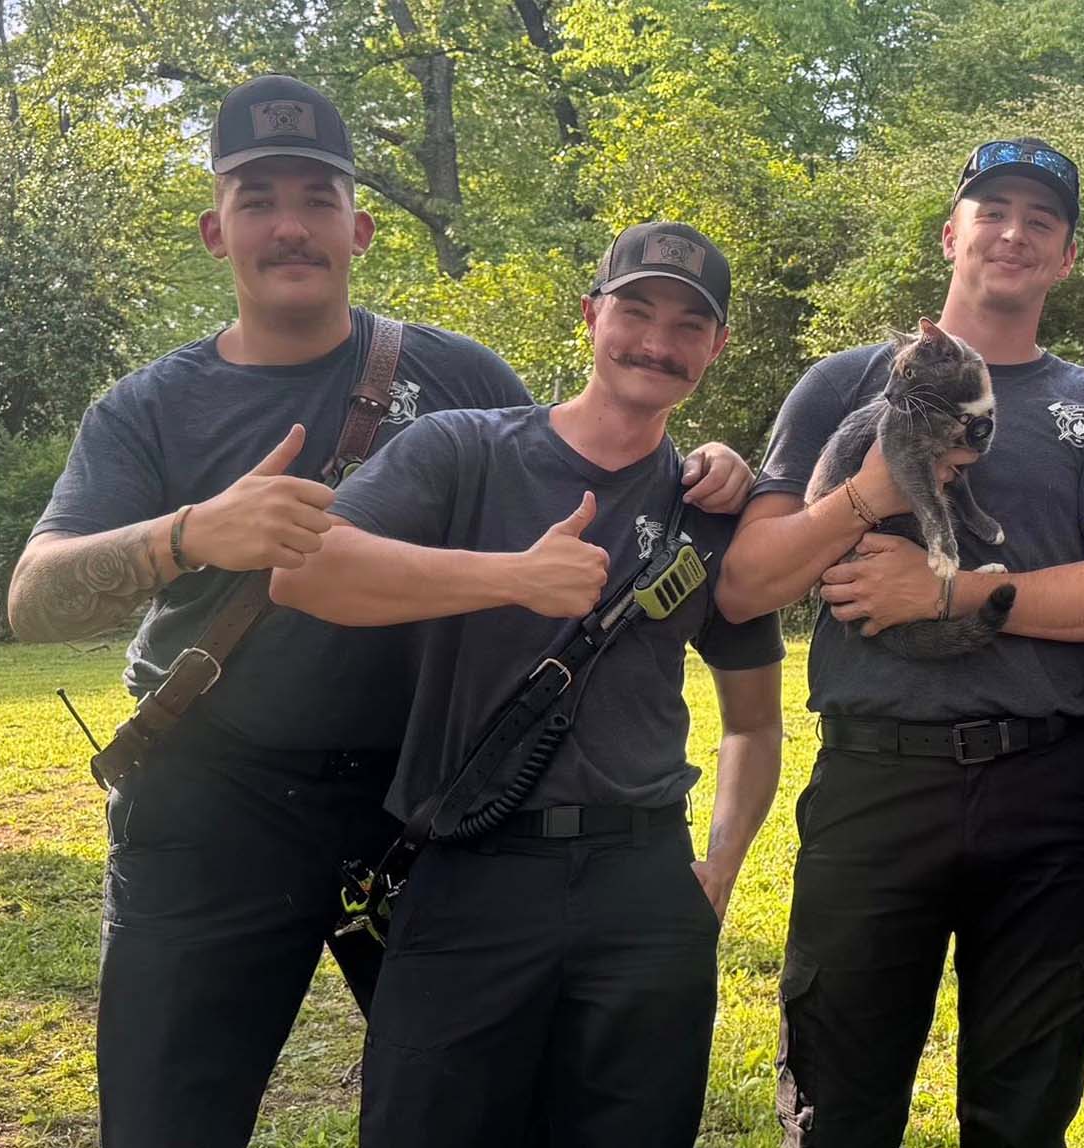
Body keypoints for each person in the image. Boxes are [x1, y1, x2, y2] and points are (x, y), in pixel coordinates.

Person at [5, 75, 749, 1148]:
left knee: (474, 1106)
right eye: (259, 197)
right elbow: (32, 600)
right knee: (169, 1118)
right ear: (217, 228)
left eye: (317, 195)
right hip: (219, 802)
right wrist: (188, 535)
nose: (291, 223)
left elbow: (596, 447)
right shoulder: (150, 407)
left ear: (359, 223)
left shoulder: (453, 376)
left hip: (425, 815)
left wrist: (710, 466)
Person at [271, 220, 783, 1145]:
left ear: (717, 347)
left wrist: (719, 867)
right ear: (591, 317)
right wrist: (510, 576)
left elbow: (752, 721)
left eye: (688, 324)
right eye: (635, 311)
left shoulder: (712, 508)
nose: (656, 343)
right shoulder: (464, 450)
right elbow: (303, 572)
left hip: (645, 880)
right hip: (471, 863)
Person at [717, 137, 1084, 1147]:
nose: (1012, 233)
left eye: (1039, 221)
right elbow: (748, 582)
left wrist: (948, 588)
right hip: (876, 779)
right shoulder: (840, 383)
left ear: (1065, 257)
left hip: (1043, 785)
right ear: (950, 232)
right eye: (991, 210)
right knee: (839, 1100)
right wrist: (867, 496)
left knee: (1023, 1104)